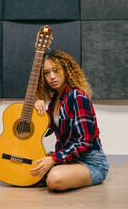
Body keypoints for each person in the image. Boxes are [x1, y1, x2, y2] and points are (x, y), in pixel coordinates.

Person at [30, 50, 109, 191]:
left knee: (54, 179)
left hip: (91, 163)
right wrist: (36, 107)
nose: (51, 77)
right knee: (25, 167)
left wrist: (53, 159)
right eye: (46, 73)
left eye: (56, 70)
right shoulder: (55, 100)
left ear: (66, 70)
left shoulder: (78, 96)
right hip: (68, 159)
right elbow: (42, 128)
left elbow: (84, 143)